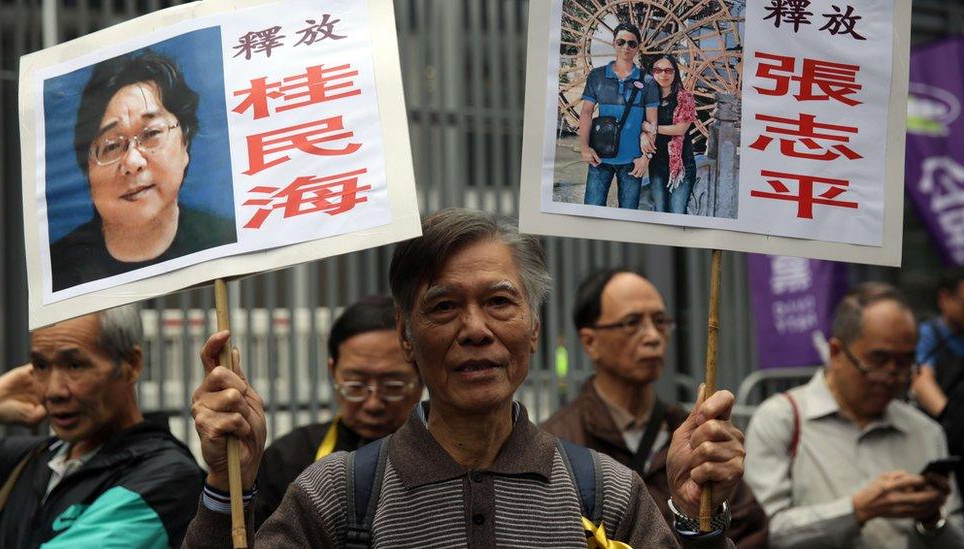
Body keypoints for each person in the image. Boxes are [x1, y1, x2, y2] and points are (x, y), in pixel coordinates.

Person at [184, 208, 744, 547]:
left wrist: (697, 520)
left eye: (500, 302)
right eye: (444, 307)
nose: (475, 330)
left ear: (533, 328)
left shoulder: (607, 493)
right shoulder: (333, 497)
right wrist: (223, 485)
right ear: (406, 334)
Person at [542, 268, 769, 547]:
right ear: (590, 341)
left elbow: (751, 534)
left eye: (660, 321)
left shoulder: (697, 438)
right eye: (631, 323)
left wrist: (707, 520)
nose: (652, 336)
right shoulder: (558, 443)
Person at [744, 282, 964, 548]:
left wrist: (931, 520)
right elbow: (763, 533)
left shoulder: (925, 432)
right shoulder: (782, 419)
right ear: (836, 353)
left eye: (905, 362)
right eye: (878, 360)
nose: (891, 377)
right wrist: (858, 509)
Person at [0, 305, 203, 547]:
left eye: (75, 366)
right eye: (41, 366)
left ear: (131, 364)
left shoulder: (167, 479)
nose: (53, 391)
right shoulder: (22, 461)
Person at [50, 50, 236, 291]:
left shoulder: (223, 243)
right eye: (111, 146)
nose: (133, 161)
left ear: (185, 143)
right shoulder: (59, 274)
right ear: (86, 168)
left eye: (151, 134)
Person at [253, 294, 423, 527]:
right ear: (333, 371)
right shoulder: (288, 458)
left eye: (392, 386)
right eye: (355, 385)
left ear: (422, 377)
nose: (373, 404)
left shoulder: (445, 457)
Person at [579, 23, 659, 209]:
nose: (626, 47)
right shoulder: (597, 76)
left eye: (631, 43)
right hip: (599, 158)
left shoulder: (647, 81)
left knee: (628, 217)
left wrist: (645, 158)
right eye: (621, 42)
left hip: (633, 162)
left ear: (638, 47)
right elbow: (586, 112)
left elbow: (652, 122)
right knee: (592, 213)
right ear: (614, 44)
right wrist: (584, 147)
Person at [913, 267, 964, 495]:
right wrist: (951, 420)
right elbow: (922, 381)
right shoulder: (928, 334)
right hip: (941, 431)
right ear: (945, 298)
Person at [641, 54, 696, 214]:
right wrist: (643, 134)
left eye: (668, 70)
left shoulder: (685, 98)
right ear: (652, 73)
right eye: (658, 70)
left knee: (677, 211)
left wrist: (651, 128)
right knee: (661, 211)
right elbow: (637, 124)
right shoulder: (646, 98)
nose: (663, 74)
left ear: (675, 73)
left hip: (682, 165)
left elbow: (680, 129)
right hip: (656, 163)